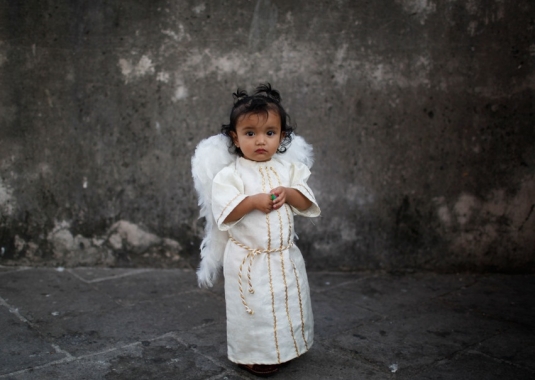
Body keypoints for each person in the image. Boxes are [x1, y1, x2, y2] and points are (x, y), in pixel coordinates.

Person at [192, 84, 320, 376]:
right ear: (235, 138)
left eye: (270, 133)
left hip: (284, 257)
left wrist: (288, 193)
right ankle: (252, 354)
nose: (260, 141)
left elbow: (306, 201)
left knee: (288, 304)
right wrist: (251, 202)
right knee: (255, 311)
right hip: (250, 260)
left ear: (282, 137)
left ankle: (284, 348)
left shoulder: (288, 170)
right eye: (250, 133)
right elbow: (224, 213)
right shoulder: (231, 175)